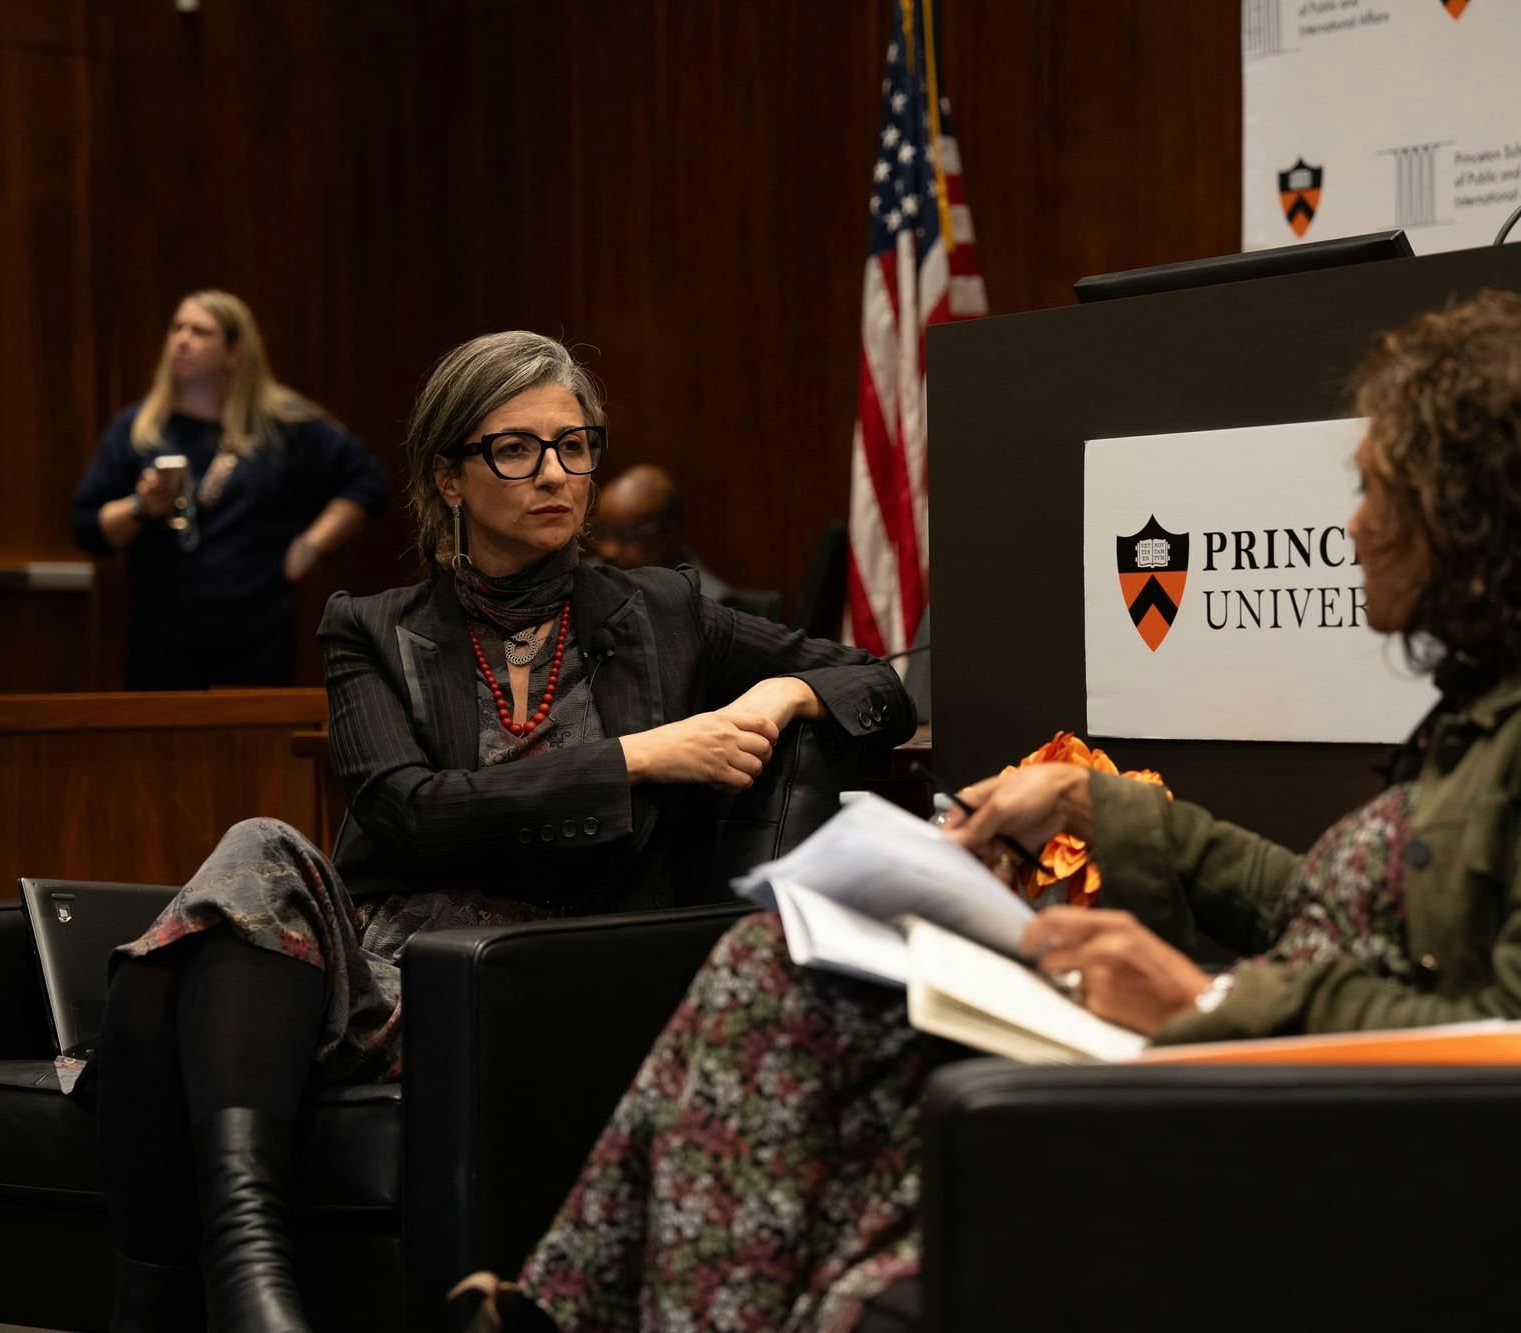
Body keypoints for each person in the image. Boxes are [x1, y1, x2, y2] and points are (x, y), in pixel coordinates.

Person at [445, 291, 1521, 1332]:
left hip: (1347, 1143)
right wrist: (1098, 802)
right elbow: (1330, 914)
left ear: (1478, 514)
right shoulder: (1500, 708)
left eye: (1380, 488)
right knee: (782, 968)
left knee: (814, 1039)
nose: (1354, 526)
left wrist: (1198, 998)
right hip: (1271, 1075)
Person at [88, 330, 915, 1331]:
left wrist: (780, 690)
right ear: (449, 475)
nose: (555, 474)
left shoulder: (664, 610)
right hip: (387, 974)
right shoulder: (372, 626)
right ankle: (252, 1281)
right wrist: (638, 756)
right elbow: (409, 814)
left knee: (161, 985)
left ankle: (208, 1299)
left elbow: (878, 681)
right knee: (259, 846)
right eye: (516, 450)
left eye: (574, 445)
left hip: (554, 973)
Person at [70, 290, 389, 690]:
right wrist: (140, 507)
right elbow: (87, 527)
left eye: (200, 331)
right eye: (177, 327)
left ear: (234, 352)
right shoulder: (138, 428)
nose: (182, 339)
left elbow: (368, 480)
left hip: (255, 634)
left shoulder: (283, 425)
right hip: (162, 638)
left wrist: (309, 546)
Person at [590, 462, 780, 617]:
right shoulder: (586, 578)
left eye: (627, 536)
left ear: (667, 534)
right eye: (602, 532)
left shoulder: (710, 607)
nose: (609, 550)